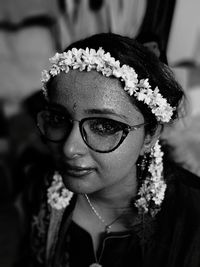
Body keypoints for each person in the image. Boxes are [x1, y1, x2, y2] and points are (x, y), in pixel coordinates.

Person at [21, 33, 200, 267]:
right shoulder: (37, 189)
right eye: (57, 118)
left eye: (105, 126)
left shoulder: (193, 221)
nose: (69, 148)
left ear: (150, 134)